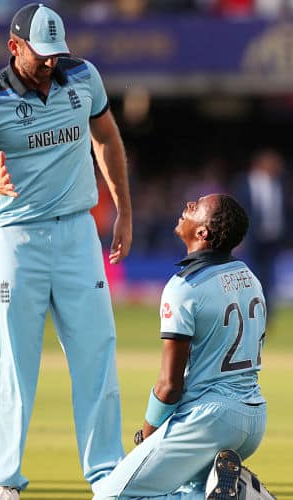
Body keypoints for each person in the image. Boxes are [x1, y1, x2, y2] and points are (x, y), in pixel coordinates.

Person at [0, 4, 132, 499]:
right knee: (13, 363)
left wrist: (124, 211)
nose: (51, 64)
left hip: (77, 235)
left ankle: (107, 476)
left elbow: (107, 138)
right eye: (41, 55)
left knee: (98, 354)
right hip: (17, 240)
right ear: (14, 46)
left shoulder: (83, 77)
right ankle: (4, 482)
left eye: (57, 54)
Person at [93, 194, 274, 500]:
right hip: (254, 417)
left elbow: (169, 385)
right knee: (190, 492)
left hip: (209, 419)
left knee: (110, 496)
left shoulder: (185, 287)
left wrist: (149, 432)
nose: (189, 205)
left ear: (203, 233)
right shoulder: (250, 278)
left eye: (197, 206)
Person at [233, 149, 291, 319]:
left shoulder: (280, 184)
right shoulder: (245, 183)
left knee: (268, 278)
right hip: (252, 238)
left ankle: (266, 315)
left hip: (273, 238)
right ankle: (249, 312)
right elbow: (239, 210)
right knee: (251, 276)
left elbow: (284, 211)